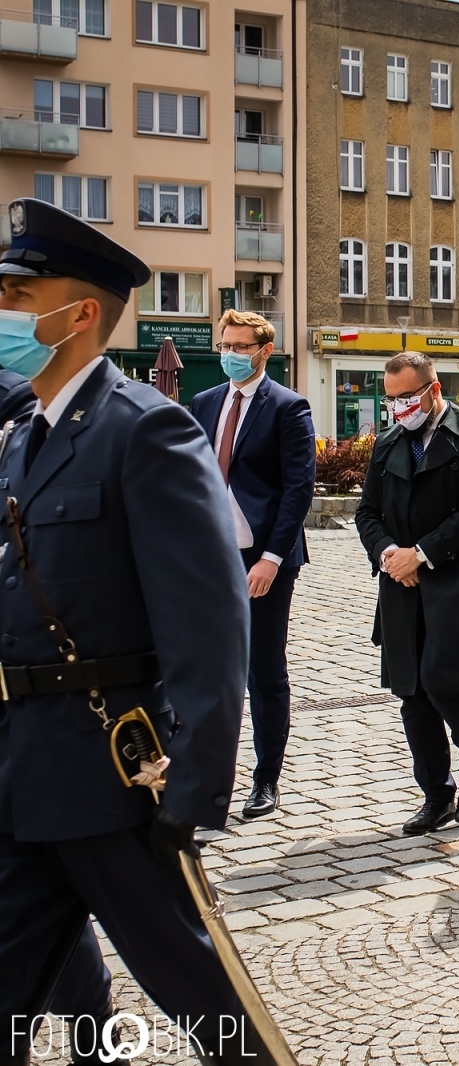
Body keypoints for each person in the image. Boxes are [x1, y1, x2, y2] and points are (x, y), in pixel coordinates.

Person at [0, 197, 271, 1062]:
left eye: (14, 296)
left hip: (114, 775)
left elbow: (211, 625)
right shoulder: (21, 435)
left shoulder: (143, 430)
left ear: (77, 314)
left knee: (209, 1005)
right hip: (24, 771)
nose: (2, 314)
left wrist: (193, 790)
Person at [355, 353, 459, 835]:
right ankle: (435, 793)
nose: (399, 407)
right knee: (412, 691)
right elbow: (367, 514)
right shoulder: (387, 444)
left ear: (433, 389)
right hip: (400, 581)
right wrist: (389, 555)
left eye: (407, 396)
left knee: (442, 679)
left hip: (455, 575)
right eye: (392, 398)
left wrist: (420, 553)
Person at [191, 309, 316, 821]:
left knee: (263, 671)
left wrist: (271, 558)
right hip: (208, 558)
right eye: (227, 344)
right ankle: (203, 777)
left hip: (263, 558)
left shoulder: (288, 406)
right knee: (205, 671)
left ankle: (266, 780)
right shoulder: (203, 402)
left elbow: (298, 488)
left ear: (265, 350)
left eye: (242, 346)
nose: (232, 354)